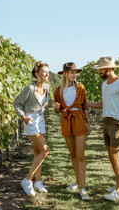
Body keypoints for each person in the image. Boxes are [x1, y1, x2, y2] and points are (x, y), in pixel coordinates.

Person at [88, 56, 119, 201]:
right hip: (106, 122)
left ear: (109, 69)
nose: (99, 73)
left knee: (116, 155)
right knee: (111, 155)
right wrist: (87, 103)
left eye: (101, 70)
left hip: (116, 123)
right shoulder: (105, 85)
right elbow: (104, 104)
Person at [54, 62, 91, 200]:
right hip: (66, 121)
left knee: (80, 155)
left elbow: (85, 106)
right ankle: (78, 181)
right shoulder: (58, 91)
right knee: (73, 154)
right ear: (65, 74)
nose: (74, 75)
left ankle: (83, 188)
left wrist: (88, 124)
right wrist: (57, 108)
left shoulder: (80, 88)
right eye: (72, 73)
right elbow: (57, 109)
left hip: (79, 121)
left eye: (75, 73)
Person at [13, 61, 50, 196]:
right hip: (31, 120)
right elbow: (17, 103)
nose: (47, 74)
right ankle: (27, 180)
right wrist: (23, 117)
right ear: (36, 74)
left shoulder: (47, 88)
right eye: (44, 72)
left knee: (38, 151)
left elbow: (43, 104)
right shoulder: (30, 88)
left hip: (41, 119)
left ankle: (38, 182)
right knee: (45, 151)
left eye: (47, 71)